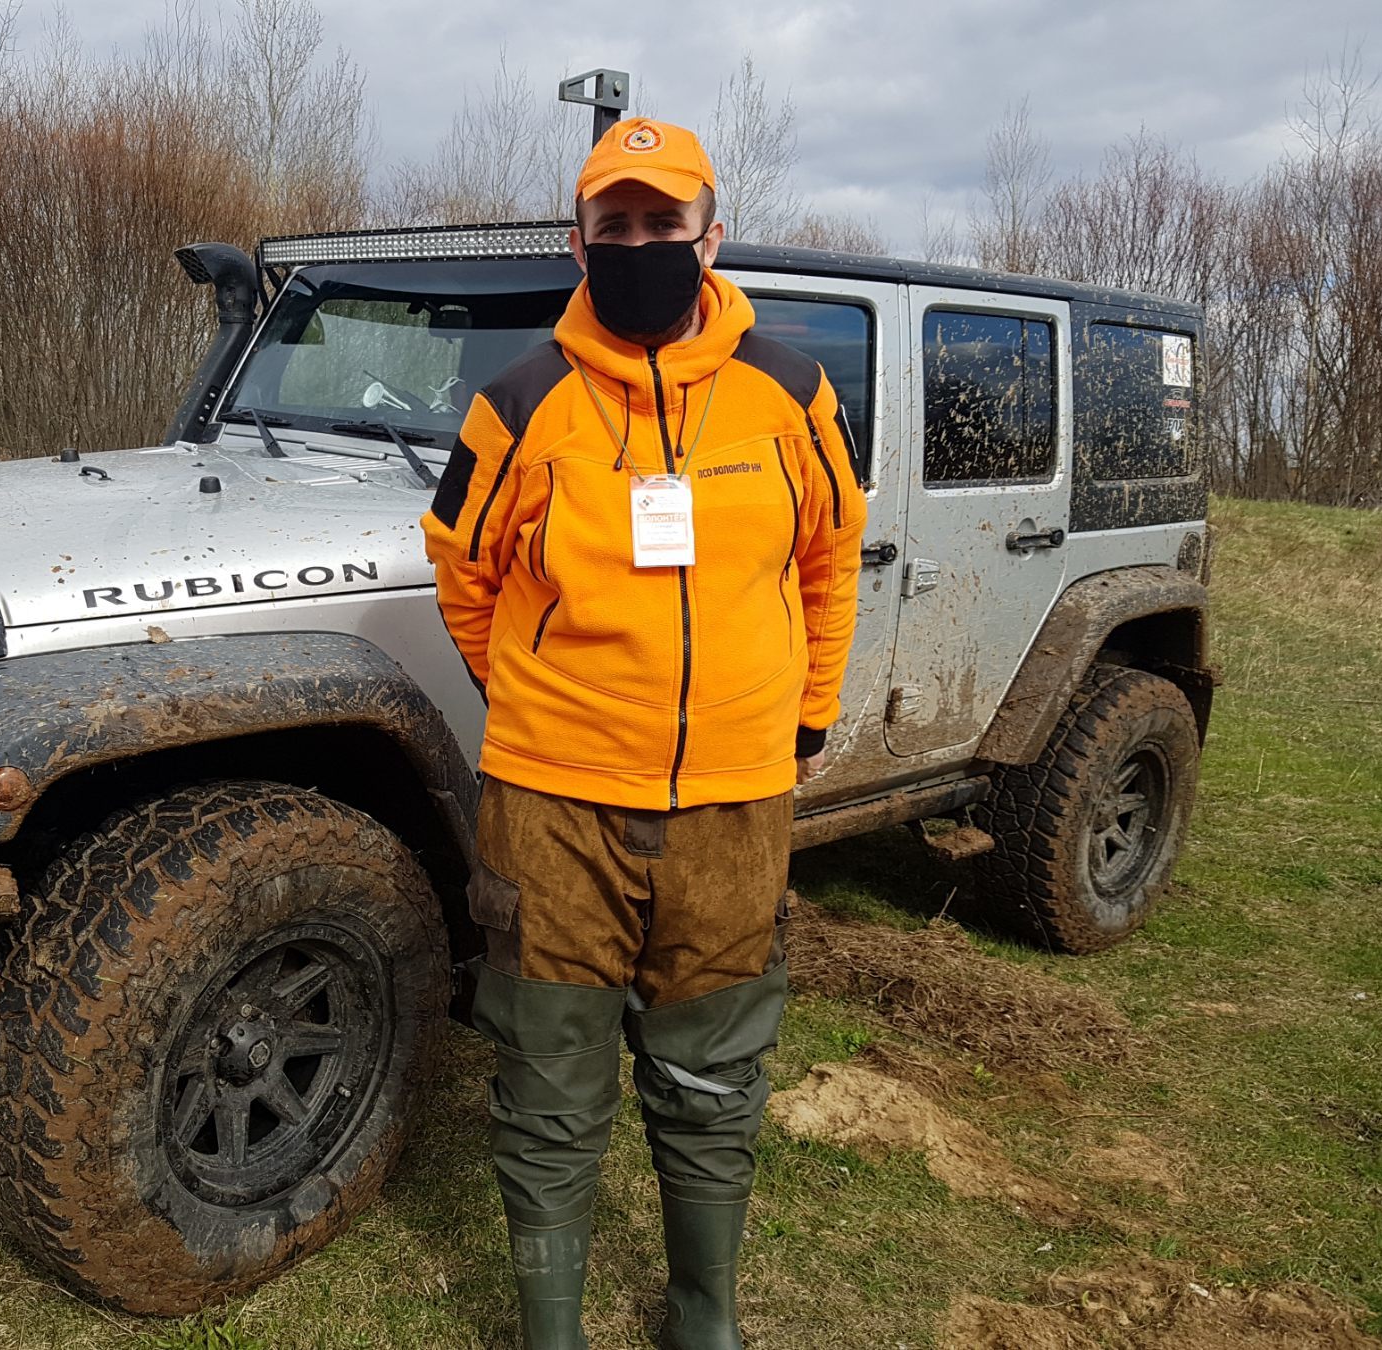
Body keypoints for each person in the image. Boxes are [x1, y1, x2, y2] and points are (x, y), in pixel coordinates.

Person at [421, 116, 867, 1350]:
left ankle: (703, 1318)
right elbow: (462, 569)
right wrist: (532, 689)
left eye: (662, 225)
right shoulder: (518, 403)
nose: (639, 247)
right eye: (613, 227)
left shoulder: (792, 391)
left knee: (714, 1076)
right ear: (579, 246)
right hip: (552, 806)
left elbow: (830, 561)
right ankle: (551, 1333)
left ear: (710, 239)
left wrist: (811, 712)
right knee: (549, 1083)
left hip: (735, 799)